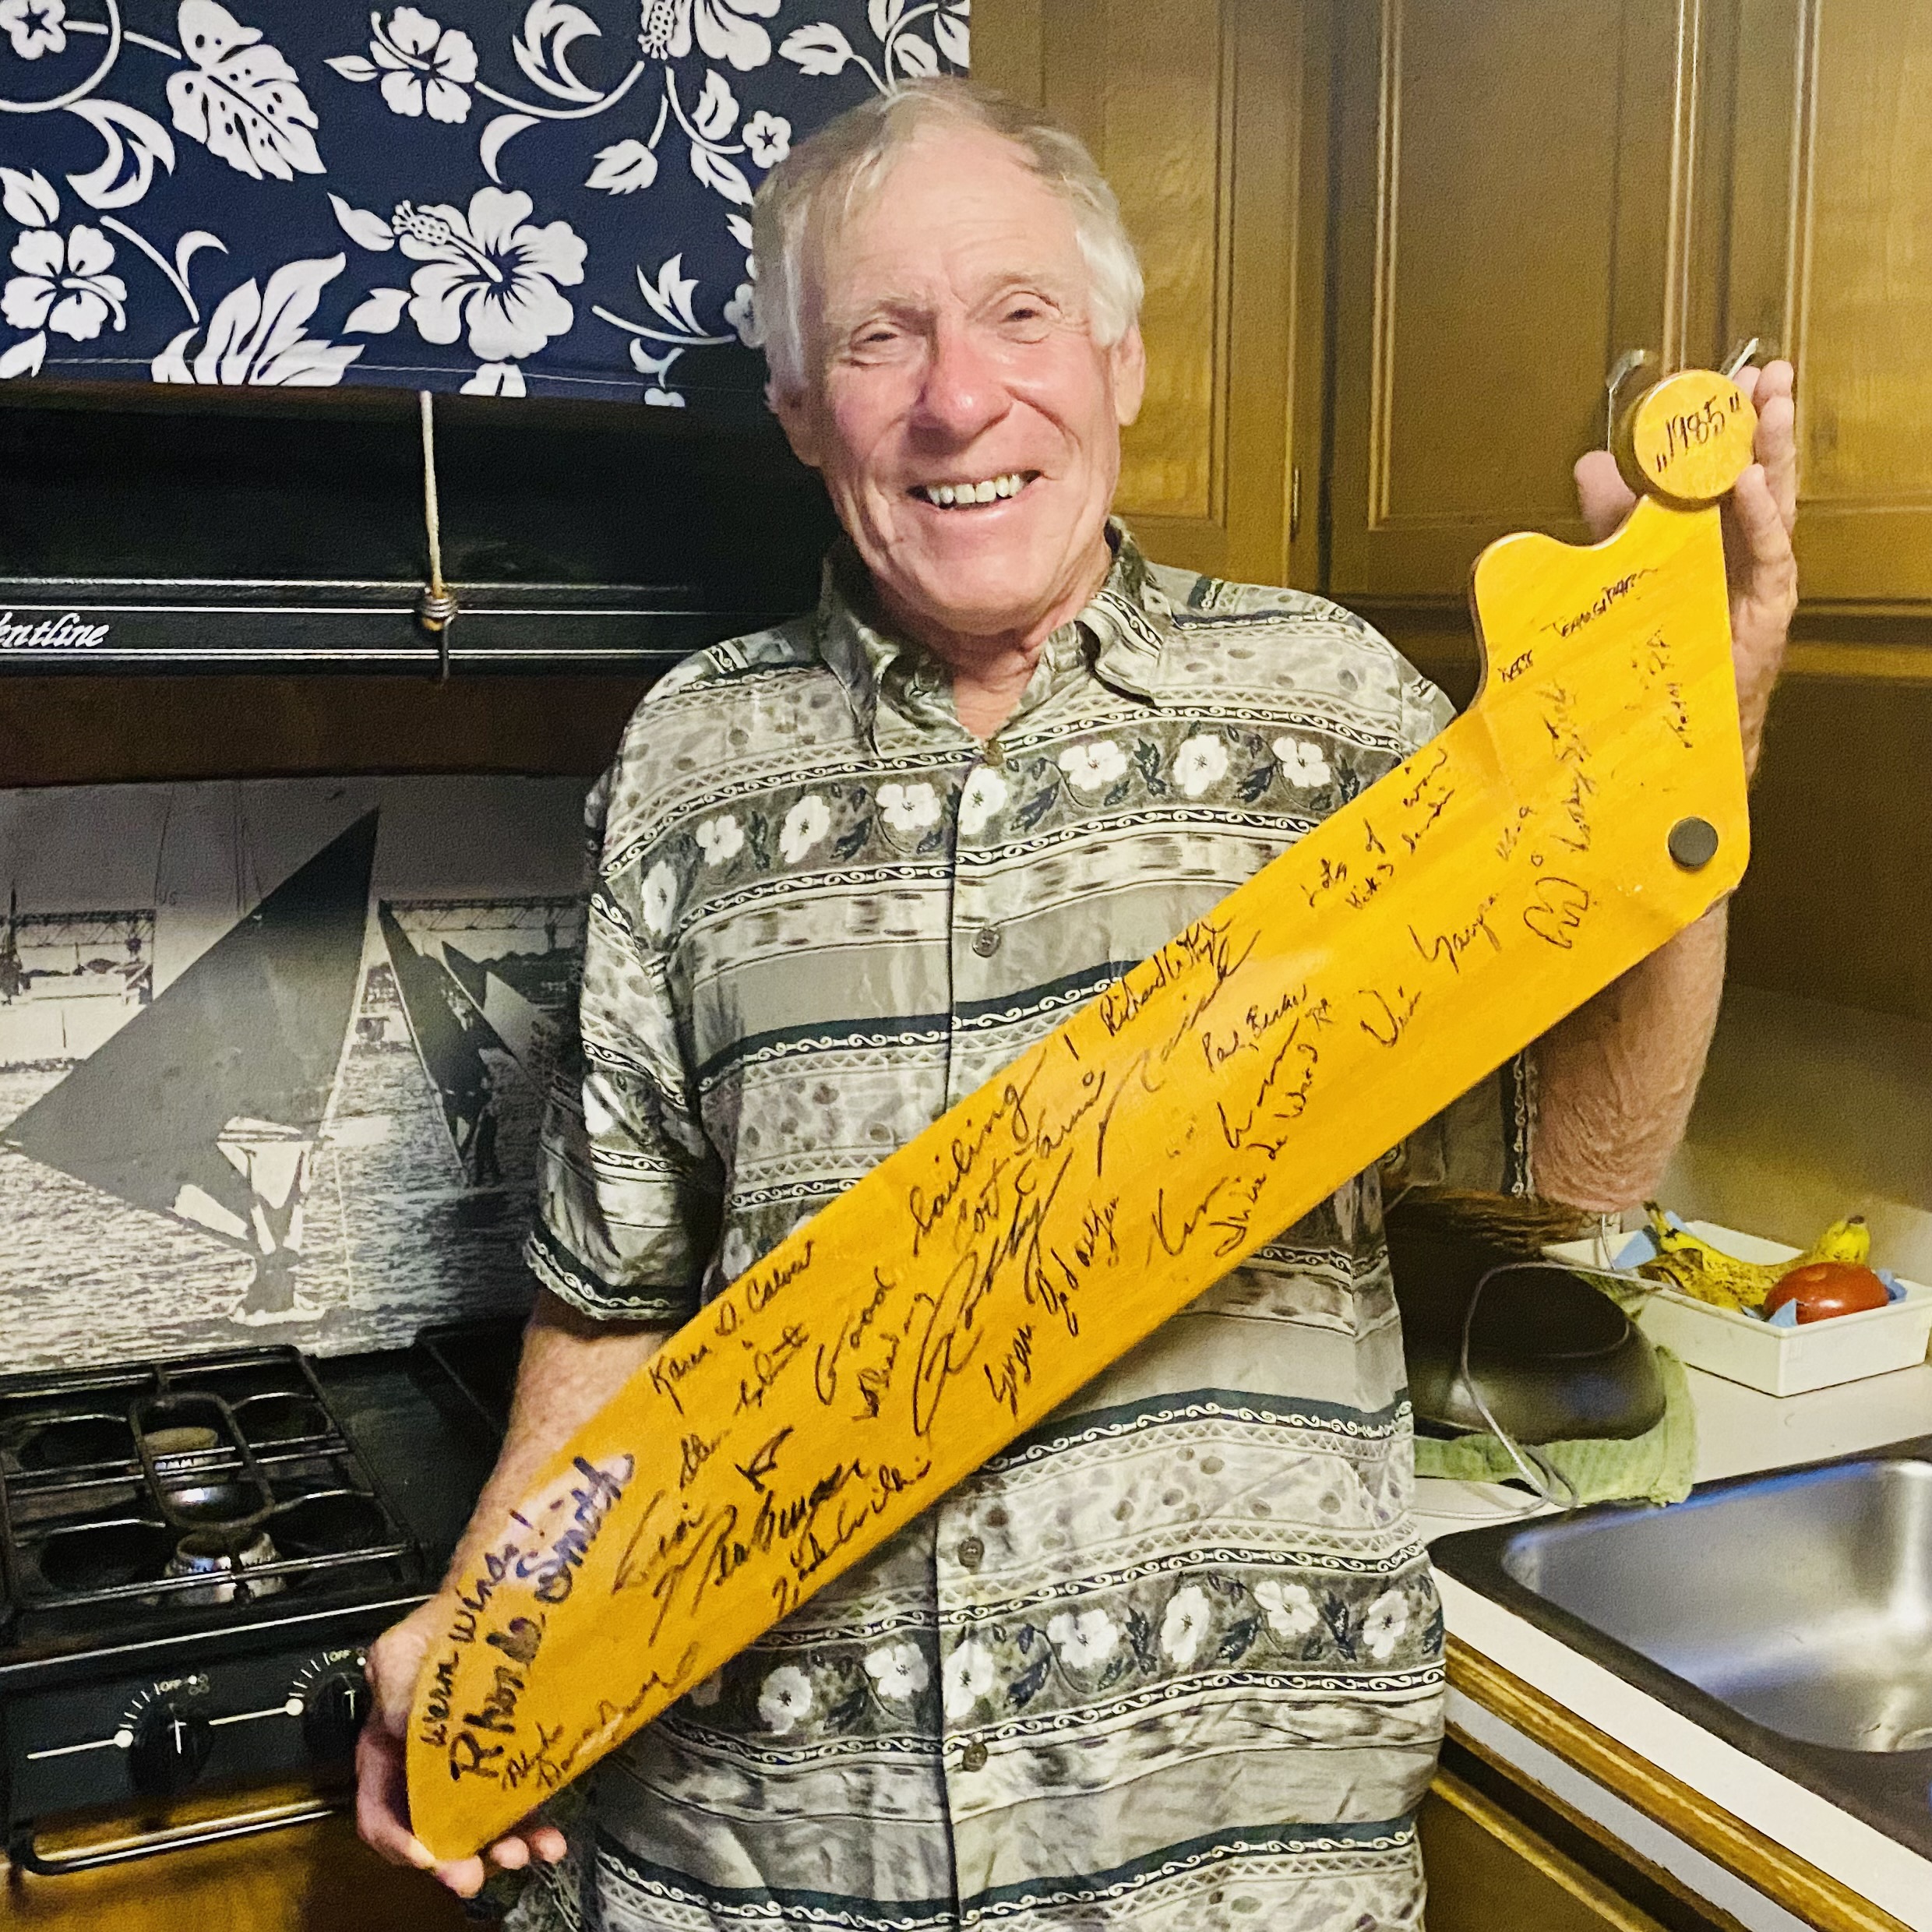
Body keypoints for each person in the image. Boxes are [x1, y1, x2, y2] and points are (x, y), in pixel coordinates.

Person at [356, 80, 1797, 1930]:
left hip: (1230, 1880)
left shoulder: (1335, 713)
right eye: (882, 338)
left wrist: (1696, 737)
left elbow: (1580, 1161)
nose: (963, 398)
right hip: (765, 1869)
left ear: (1117, 357)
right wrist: (492, 1637)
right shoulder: (689, 762)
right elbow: (613, 1299)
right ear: (801, 410)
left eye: (1021, 314)